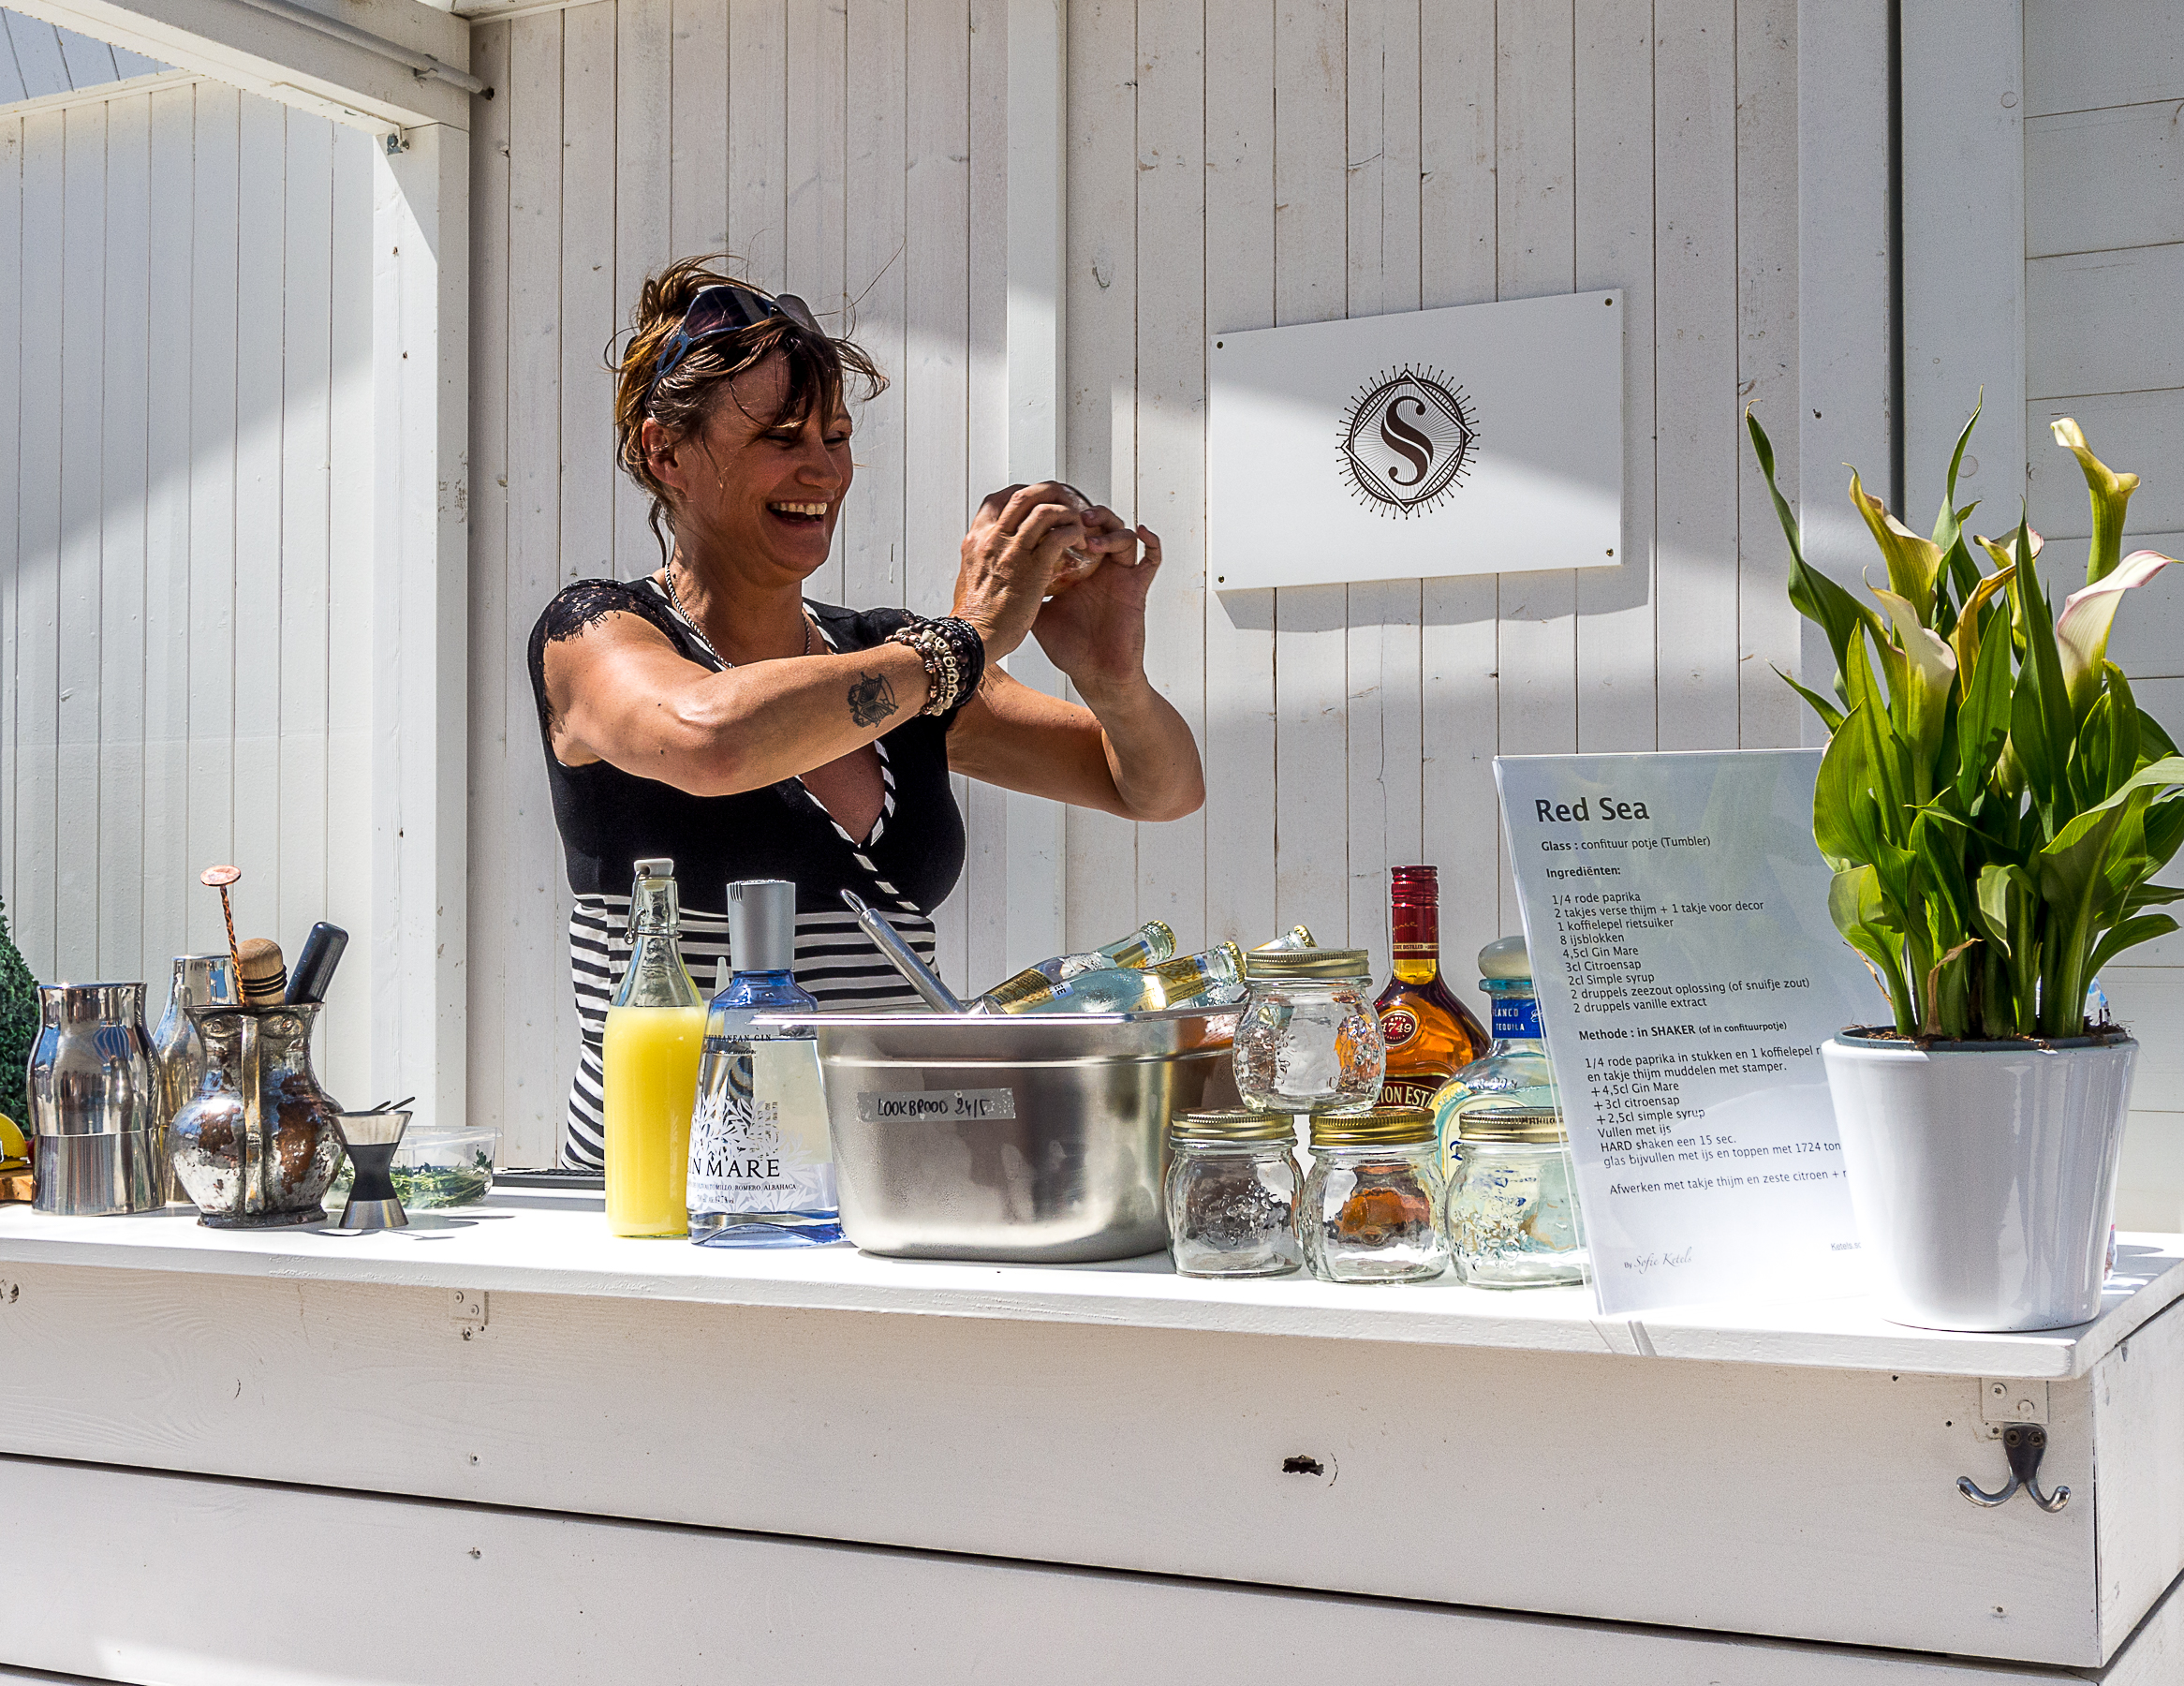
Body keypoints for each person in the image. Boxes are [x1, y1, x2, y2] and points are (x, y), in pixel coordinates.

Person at [528, 257, 1204, 1167]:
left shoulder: (893, 659)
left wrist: (1111, 677)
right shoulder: (597, 631)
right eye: (779, 437)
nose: (822, 469)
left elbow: (1159, 790)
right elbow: (711, 740)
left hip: (890, 1181)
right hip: (667, 1197)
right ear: (666, 454)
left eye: (837, 436)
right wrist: (964, 641)